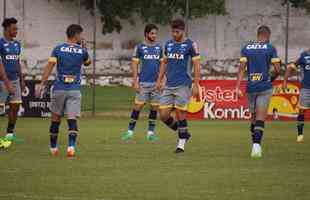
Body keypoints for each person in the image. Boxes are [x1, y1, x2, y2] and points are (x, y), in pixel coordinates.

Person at [36, 24, 91, 157]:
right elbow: (88, 63)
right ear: (76, 35)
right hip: (74, 90)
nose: (82, 37)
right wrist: (85, 49)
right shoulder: (81, 51)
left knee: (55, 119)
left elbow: (49, 66)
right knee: (72, 119)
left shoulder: (58, 49)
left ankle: (53, 148)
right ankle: (71, 147)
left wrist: (41, 83)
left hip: (59, 89)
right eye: (81, 34)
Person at [155, 19, 201, 153]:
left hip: (183, 84)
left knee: (181, 113)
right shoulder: (168, 44)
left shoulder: (191, 45)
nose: (175, 34)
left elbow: (197, 65)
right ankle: (184, 132)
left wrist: (196, 84)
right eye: (173, 31)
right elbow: (164, 63)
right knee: (163, 115)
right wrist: (159, 80)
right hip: (169, 84)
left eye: (177, 32)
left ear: (183, 30)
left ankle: (181, 143)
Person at [236, 25, 281, 158]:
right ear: (268, 35)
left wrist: (237, 87)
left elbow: (241, 69)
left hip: (251, 87)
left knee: (254, 118)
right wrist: (271, 78)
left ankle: (254, 144)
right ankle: (256, 147)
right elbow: (278, 69)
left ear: (258, 35)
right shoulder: (270, 48)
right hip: (264, 87)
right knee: (261, 118)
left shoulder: (246, 48)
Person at [122, 24, 163, 142]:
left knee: (154, 109)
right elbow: (134, 65)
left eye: (155, 33)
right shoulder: (139, 47)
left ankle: (150, 134)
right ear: (146, 34)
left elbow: (163, 66)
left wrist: (162, 81)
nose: (154, 36)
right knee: (137, 107)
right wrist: (135, 81)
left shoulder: (159, 48)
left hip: (156, 84)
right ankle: (129, 133)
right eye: (152, 33)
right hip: (143, 83)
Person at [0, 18, 25, 147]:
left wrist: (22, 80)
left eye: (17, 28)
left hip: (15, 80)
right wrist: (6, 82)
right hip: (2, 81)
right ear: (7, 29)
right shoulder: (0, 43)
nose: (16, 31)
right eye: (14, 28)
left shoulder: (17, 44)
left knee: (15, 106)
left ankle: (9, 135)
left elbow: (17, 62)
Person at [283, 49, 310, 143]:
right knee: (302, 110)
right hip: (306, 88)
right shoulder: (304, 56)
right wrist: (285, 81)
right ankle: (300, 134)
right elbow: (291, 67)